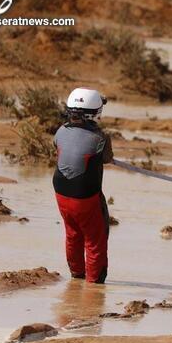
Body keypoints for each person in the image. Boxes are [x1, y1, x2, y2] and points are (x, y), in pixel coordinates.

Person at [53, 88, 113, 284]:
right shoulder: (100, 137)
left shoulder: (60, 131)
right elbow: (107, 158)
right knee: (95, 240)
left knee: (73, 233)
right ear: (94, 113)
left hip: (61, 192)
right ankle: (94, 287)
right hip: (85, 196)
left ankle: (76, 278)